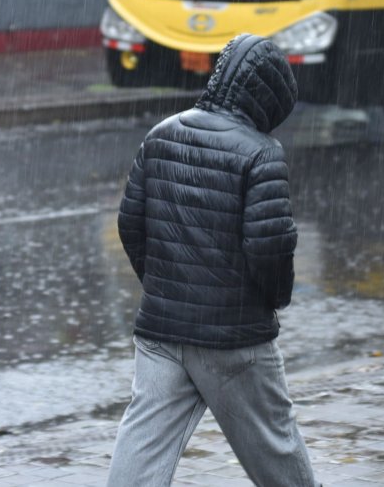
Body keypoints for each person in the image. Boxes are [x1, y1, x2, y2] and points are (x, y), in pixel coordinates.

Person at [106, 34, 317, 487]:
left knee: (141, 453)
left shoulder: (160, 134)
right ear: (266, 100)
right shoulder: (261, 154)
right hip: (233, 336)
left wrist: (163, 284)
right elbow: (271, 248)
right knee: (277, 452)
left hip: (160, 333)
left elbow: (131, 224)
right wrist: (273, 301)